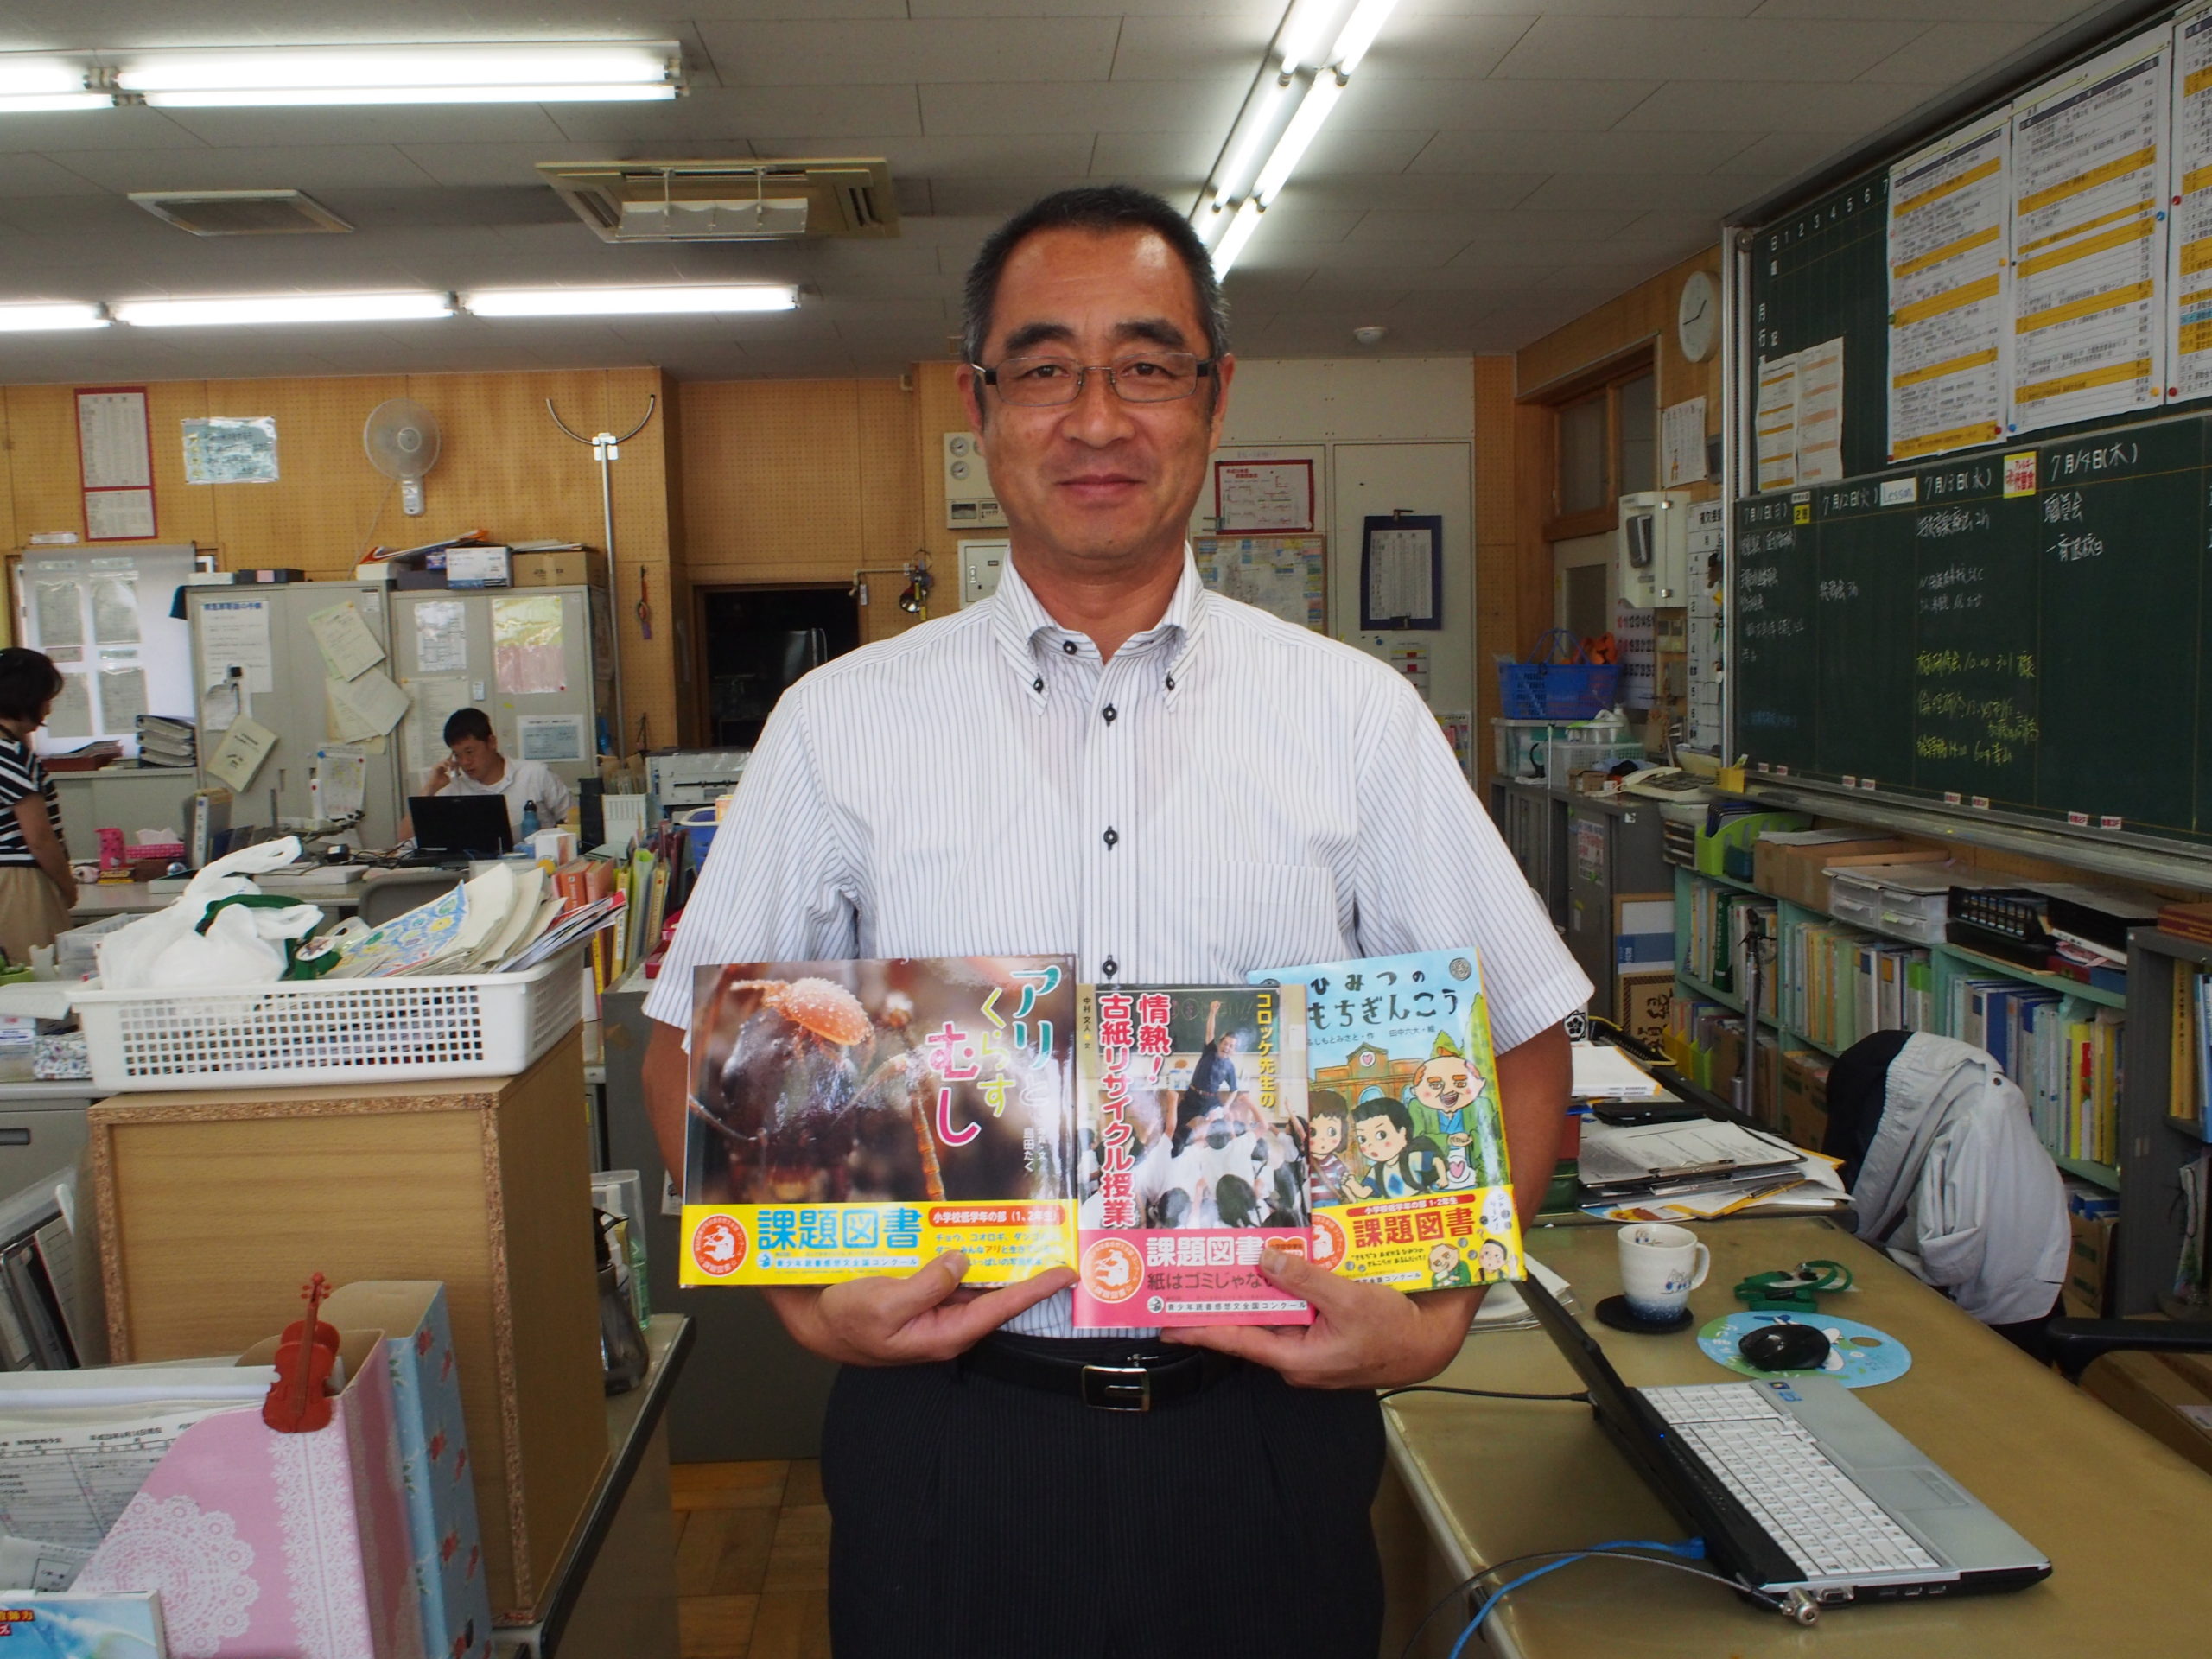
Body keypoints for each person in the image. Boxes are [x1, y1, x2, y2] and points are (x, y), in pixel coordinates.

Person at [640, 184, 1587, 1658]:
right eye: (1045, 367)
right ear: (980, 403)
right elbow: (690, 1052)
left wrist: (1446, 1306)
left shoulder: (1354, 719)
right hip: (948, 1440)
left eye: (1147, 365)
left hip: (1265, 1436)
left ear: (1214, 398)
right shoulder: (838, 727)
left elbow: (1519, 1033)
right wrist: (808, 1306)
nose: (1097, 417)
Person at [0, 651, 74, 963]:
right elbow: (39, 838)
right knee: (38, 974)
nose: (48, 709)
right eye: (45, 699)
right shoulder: (9, 754)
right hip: (19, 881)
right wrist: (68, 887)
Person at [410, 708, 570, 840]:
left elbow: (575, 823)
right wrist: (430, 788)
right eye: (457, 755)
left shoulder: (535, 774)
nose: (465, 762)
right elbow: (405, 840)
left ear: (492, 742)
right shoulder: (453, 788)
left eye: (470, 751)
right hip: (473, 867)